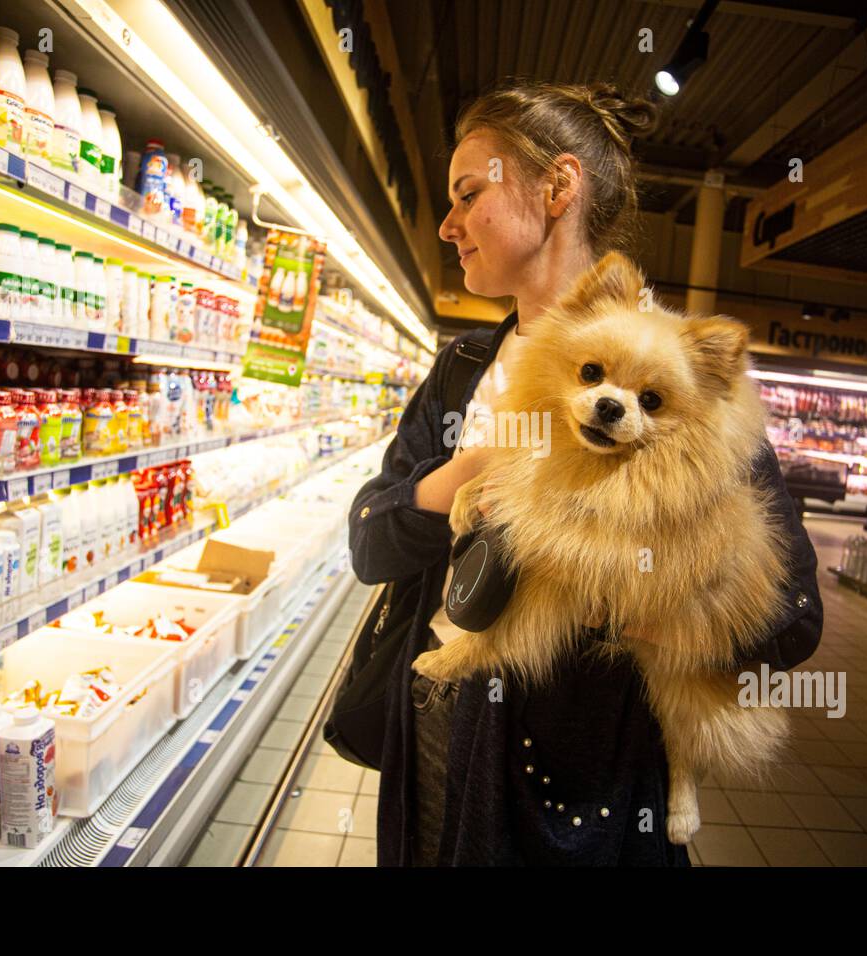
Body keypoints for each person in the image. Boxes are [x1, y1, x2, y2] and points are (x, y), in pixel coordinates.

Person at [348, 81, 823, 866]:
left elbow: (791, 622)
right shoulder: (463, 368)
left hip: (575, 790)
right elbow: (371, 546)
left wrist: (620, 597)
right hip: (433, 734)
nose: (448, 223)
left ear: (559, 187)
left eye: (470, 193)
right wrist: (473, 471)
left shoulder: (689, 395)